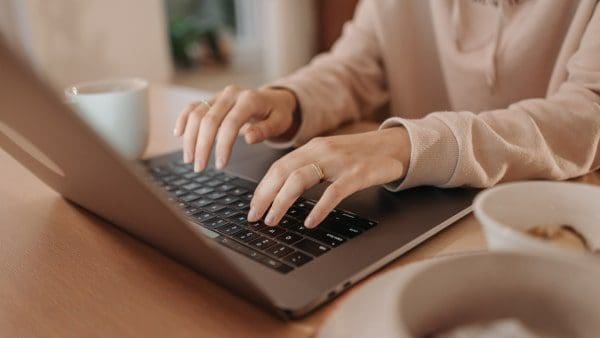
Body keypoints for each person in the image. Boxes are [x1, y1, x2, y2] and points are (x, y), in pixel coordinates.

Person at [173, 0, 600, 229]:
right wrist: (289, 100)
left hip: (549, 221)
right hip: (422, 213)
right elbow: (354, 65)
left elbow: (585, 115)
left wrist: (405, 145)